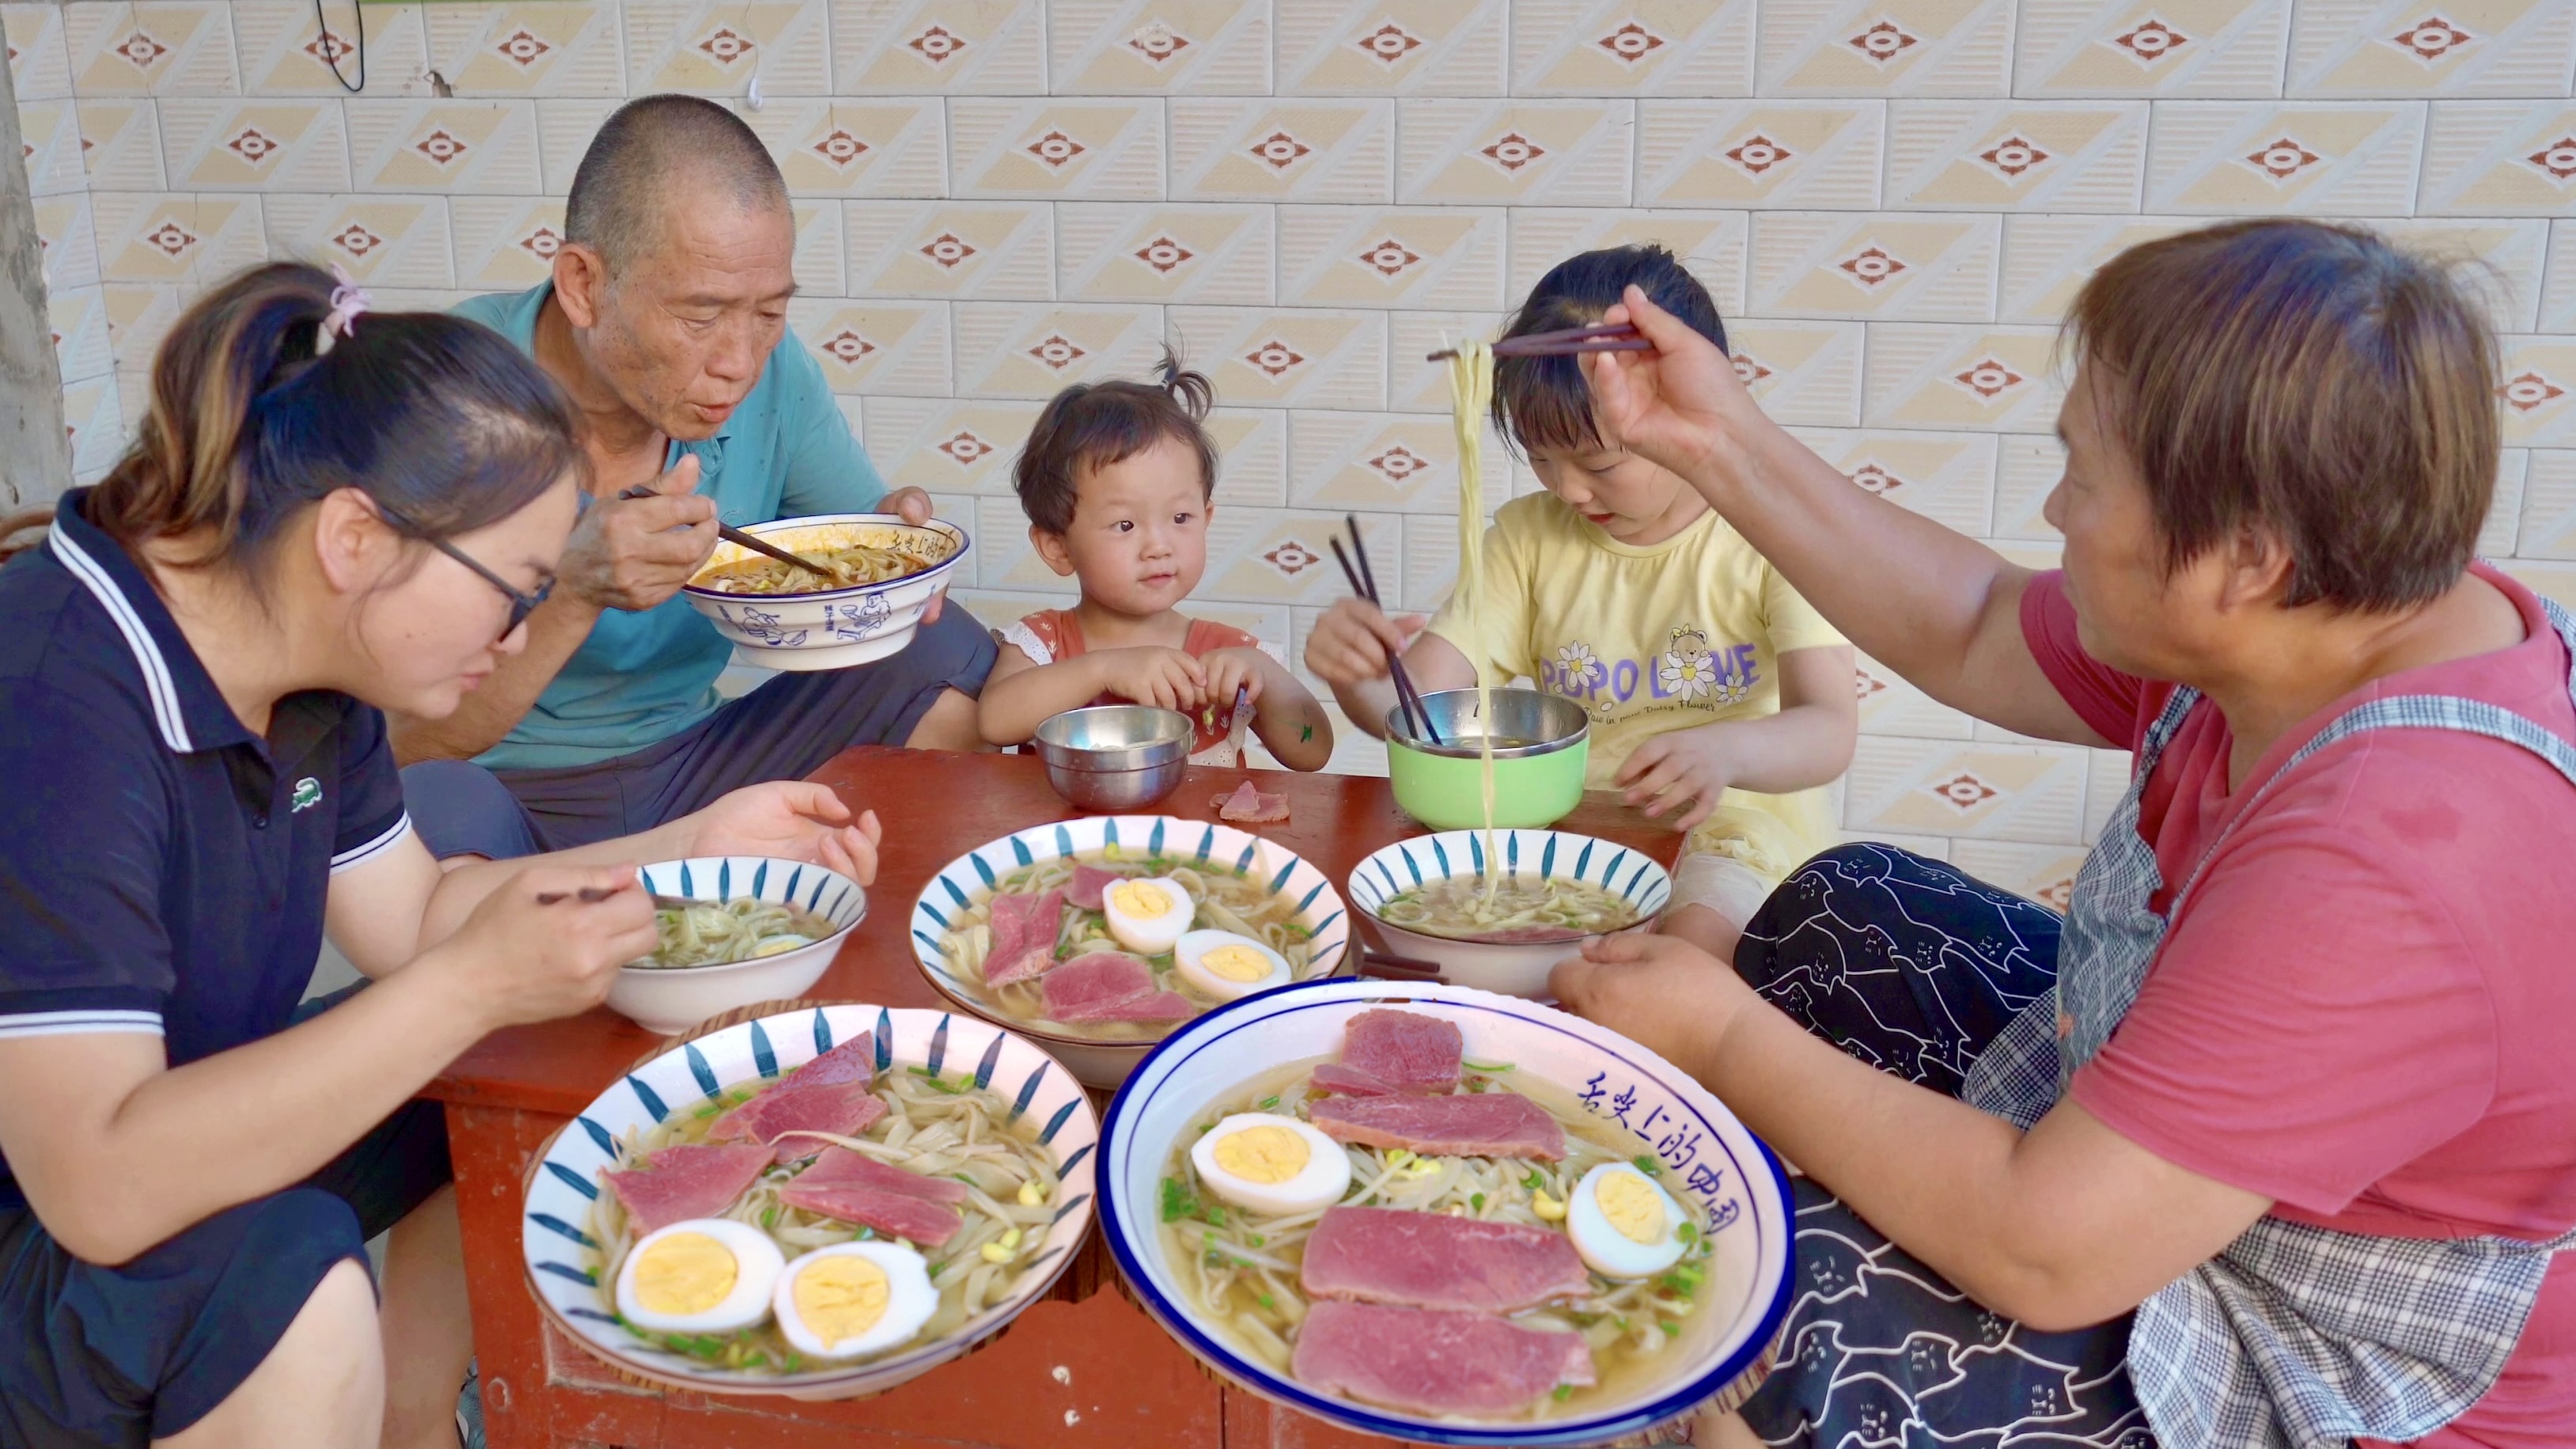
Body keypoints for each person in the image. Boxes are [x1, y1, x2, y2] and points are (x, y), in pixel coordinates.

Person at [1551, 220, 2576, 1447]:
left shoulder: (2393, 854)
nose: (2052, 506)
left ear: (2242, 557)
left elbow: (2045, 1251)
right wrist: (1710, 436)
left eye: (2081, 476)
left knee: (1768, 1303)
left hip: (2320, 1349)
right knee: (1840, 906)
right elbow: (1977, 623)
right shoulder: (2331, 608)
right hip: (2179, 1175)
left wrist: (1718, 1031)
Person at [0, 264, 884, 1449]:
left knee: (498, 1054)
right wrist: (469, 983)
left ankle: (417, 1420)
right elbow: (98, 1185)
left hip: (148, 1153)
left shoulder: (313, 665)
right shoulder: (56, 704)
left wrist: (688, 848)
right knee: (284, 1277)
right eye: (512, 593)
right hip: (46, 1223)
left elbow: (417, 913)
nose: (521, 636)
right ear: (357, 537)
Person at [396, 93, 996, 863]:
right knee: (425, 799)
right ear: (583, 284)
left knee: (935, 643)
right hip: (504, 788)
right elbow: (405, 737)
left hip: (700, 763)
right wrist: (574, 593)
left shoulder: (774, 375)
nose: (740, 362)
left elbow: (848, 553)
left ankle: (893, 919)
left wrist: (892, 557)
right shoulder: (445, 394)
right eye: (700, 315)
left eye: (768, 312)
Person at [1304, 246, 1856, 959]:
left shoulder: (1770, 531)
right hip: (1573, 835)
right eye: (1540, 458)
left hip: (1738, 840)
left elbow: (1829, 728)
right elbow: (1415, 716)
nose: (1568, 491)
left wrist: (1725, 751)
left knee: (1675, 965)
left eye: (1599, 464)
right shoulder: (1528, 540)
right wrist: (1355, 673)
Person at [978, 356, 1334, 771]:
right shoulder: (1044, 643)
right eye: (1125, 525)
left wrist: (1268, 681)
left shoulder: (1228, 653)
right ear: (1058, 548)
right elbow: (993, 722)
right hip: (1073, 837)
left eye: (1181, 518)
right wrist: (1103, 670)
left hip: (1201, 837)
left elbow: (1313, 752)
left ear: (1207, 517)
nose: (1159, 546)